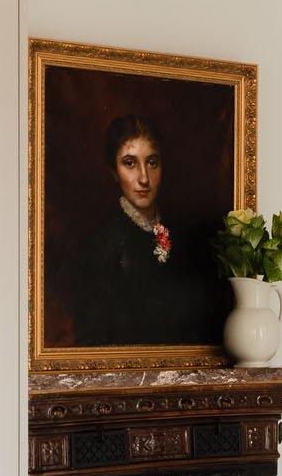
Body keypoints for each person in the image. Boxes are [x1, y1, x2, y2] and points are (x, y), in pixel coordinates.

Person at [73, 113, 219, 347]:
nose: (144, 178)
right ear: (113, 171)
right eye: (130, 163)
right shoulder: (100, 246)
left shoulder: (186, 236)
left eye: (152, 163)